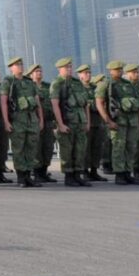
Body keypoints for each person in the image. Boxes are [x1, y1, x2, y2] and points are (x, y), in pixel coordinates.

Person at [0, 57, 43, 188]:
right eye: (17, 65)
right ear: (11, 68)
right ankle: (21, 177)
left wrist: (40, 119)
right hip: (18, 119)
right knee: (19, 148)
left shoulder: (29, 82)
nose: (20, 66)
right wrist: (6, 121)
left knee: (31, 148)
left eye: (21, 64)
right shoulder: (8, 82)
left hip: (31, 119)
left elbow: (37, 102)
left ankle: (28, 175)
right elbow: (4, 103)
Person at [49, 57, 91, 187]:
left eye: (70, 67)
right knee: (67, 150)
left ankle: (78, 174)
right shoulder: (57, 84)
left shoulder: (77, 83)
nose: (69, 69)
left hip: (80, 121)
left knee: (80, 149)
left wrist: (87, 121)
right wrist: (60, 124)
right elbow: (55, 105)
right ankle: (69, 176)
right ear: (59, 69)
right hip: (67, 121)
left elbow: (85, 104)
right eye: (66, 67)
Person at [30, 64, 58, 183]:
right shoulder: (29, 86)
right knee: (37, 148)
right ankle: (37, 173)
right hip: (34, 122)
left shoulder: (48, 86)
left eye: (40, 71)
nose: (39, 73)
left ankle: (44, 172)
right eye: (36, 71)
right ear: (31, 74)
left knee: (48, 147)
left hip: (48, 122)